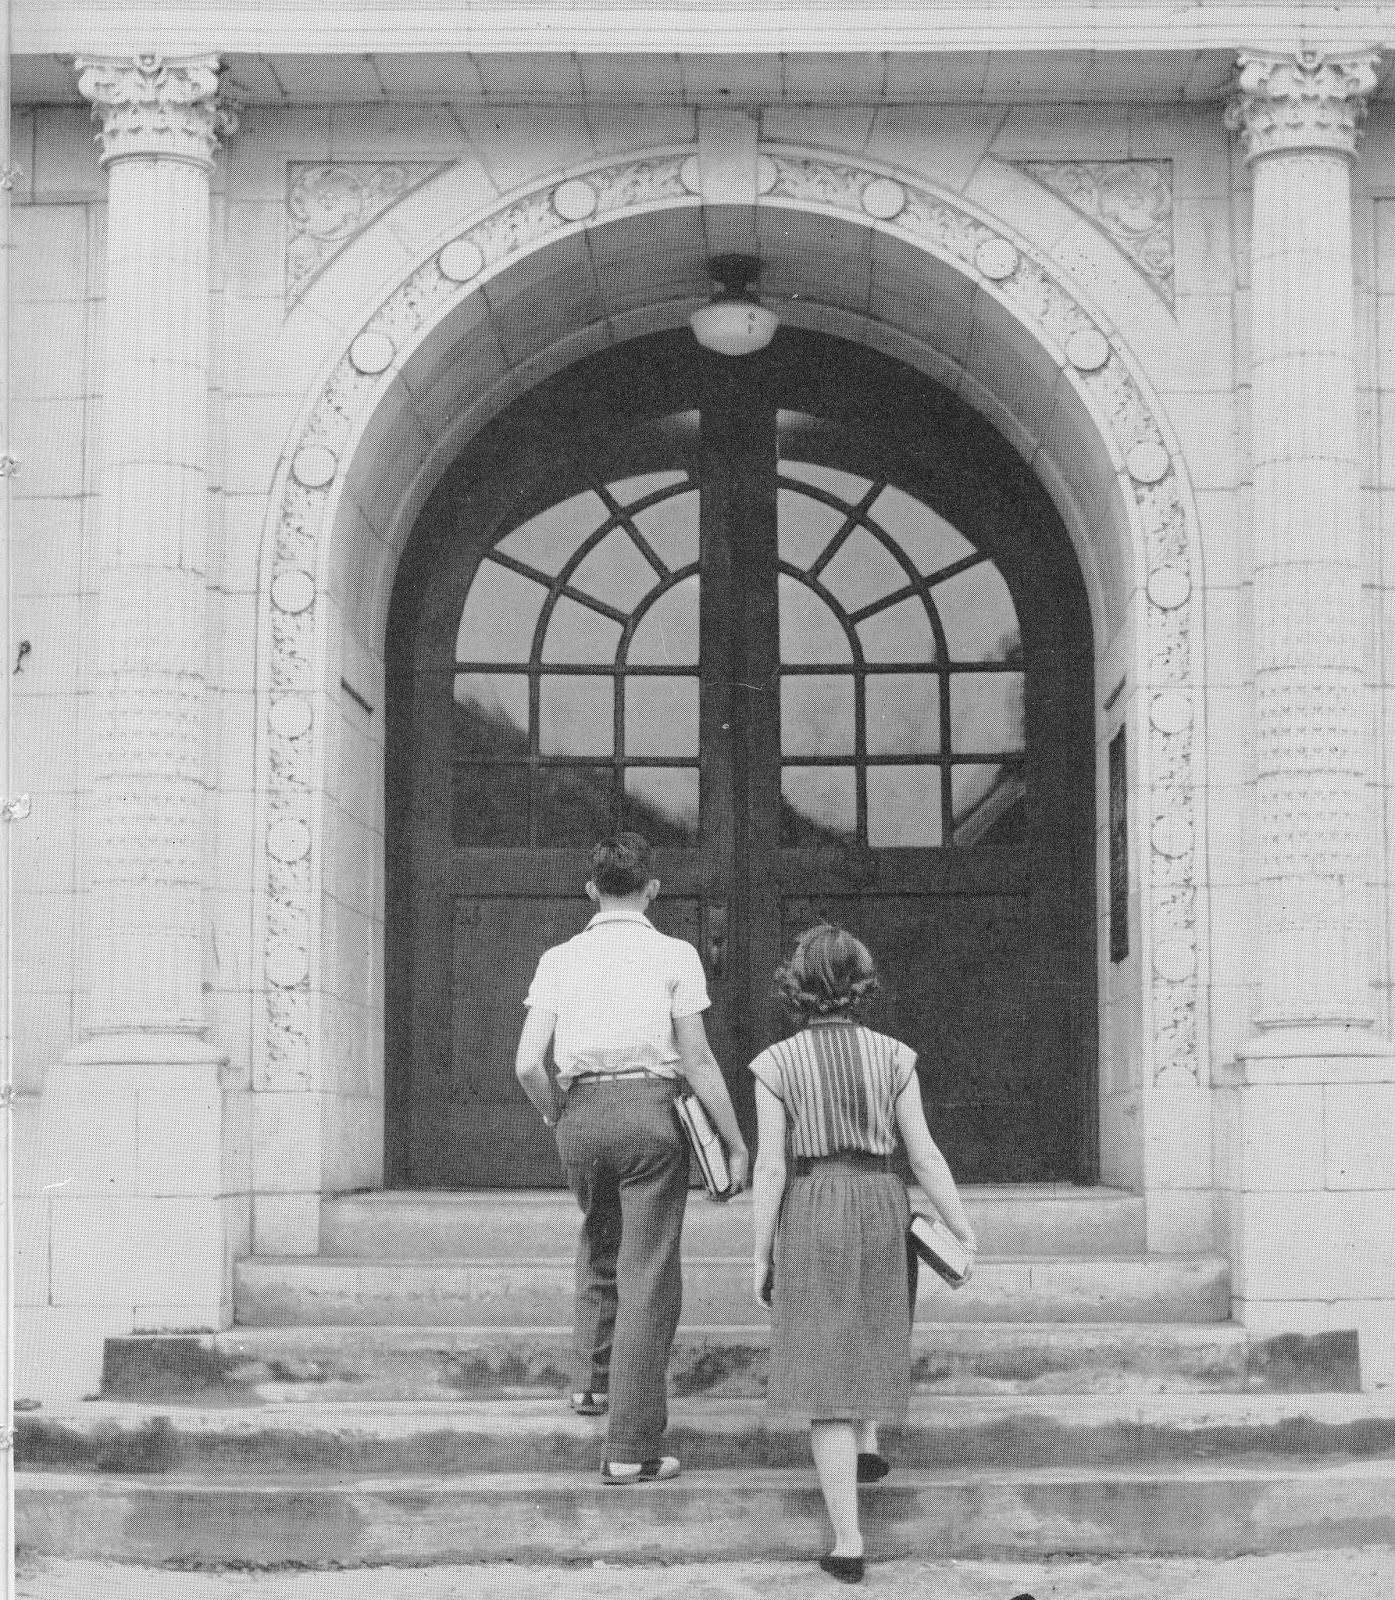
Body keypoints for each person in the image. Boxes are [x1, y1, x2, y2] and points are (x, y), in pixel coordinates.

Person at [514, 831, 749, 1486]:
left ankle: (592, 1382)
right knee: (647, 1271)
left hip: (581, 1113)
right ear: (652, 889)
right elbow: (697, 1060)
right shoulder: (675, 955)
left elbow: (527, 1061)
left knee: (599, 1236)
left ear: (592, 888)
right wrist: (733, 1141)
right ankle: (630, 1448)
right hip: (649, 1114)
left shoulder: (558, 958)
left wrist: (555, 1113)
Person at [747, 924, 977, 1583]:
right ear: (860, 984)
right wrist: (961, 1228)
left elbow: (770, 1167)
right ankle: (869, 1435)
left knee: (825, 1368)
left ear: (797, 985)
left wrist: (759, 1253)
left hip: (814, 1201)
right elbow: (924, 1155)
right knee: (875, 1322)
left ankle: (848, 1543)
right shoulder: (895, 1057)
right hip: (881, 1200)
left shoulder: (774, 1064)